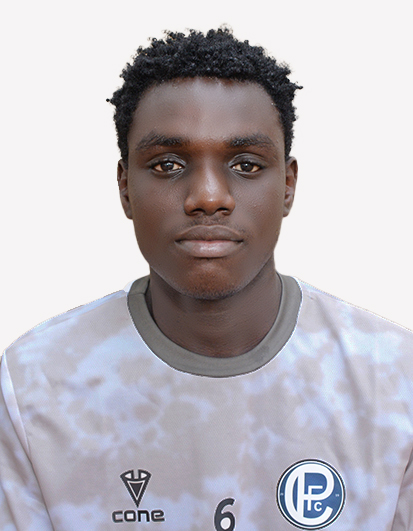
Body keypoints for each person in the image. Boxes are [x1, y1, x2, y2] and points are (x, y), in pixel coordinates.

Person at [0, 28, 412, 531]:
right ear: (125, 187)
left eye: (246, 164)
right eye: (168, 164)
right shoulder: (34, 385)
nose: (209, 197)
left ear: (288, 185)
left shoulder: (395, 381)